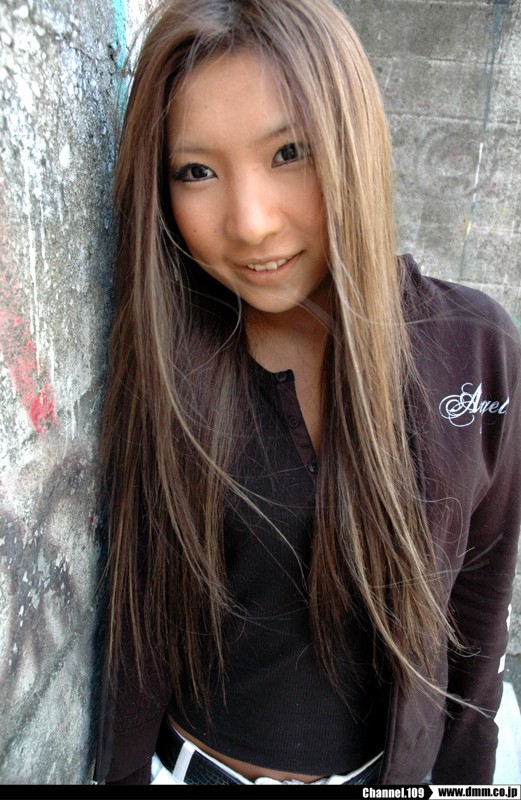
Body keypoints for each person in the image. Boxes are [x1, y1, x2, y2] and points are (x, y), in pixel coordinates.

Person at [93, 0, 521, 787]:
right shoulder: (170, 359)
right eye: (196, 171)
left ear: (352, 143)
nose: (251, 223)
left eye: (289, 152)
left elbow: (477, 619)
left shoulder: (477, 350)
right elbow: (141, 624)